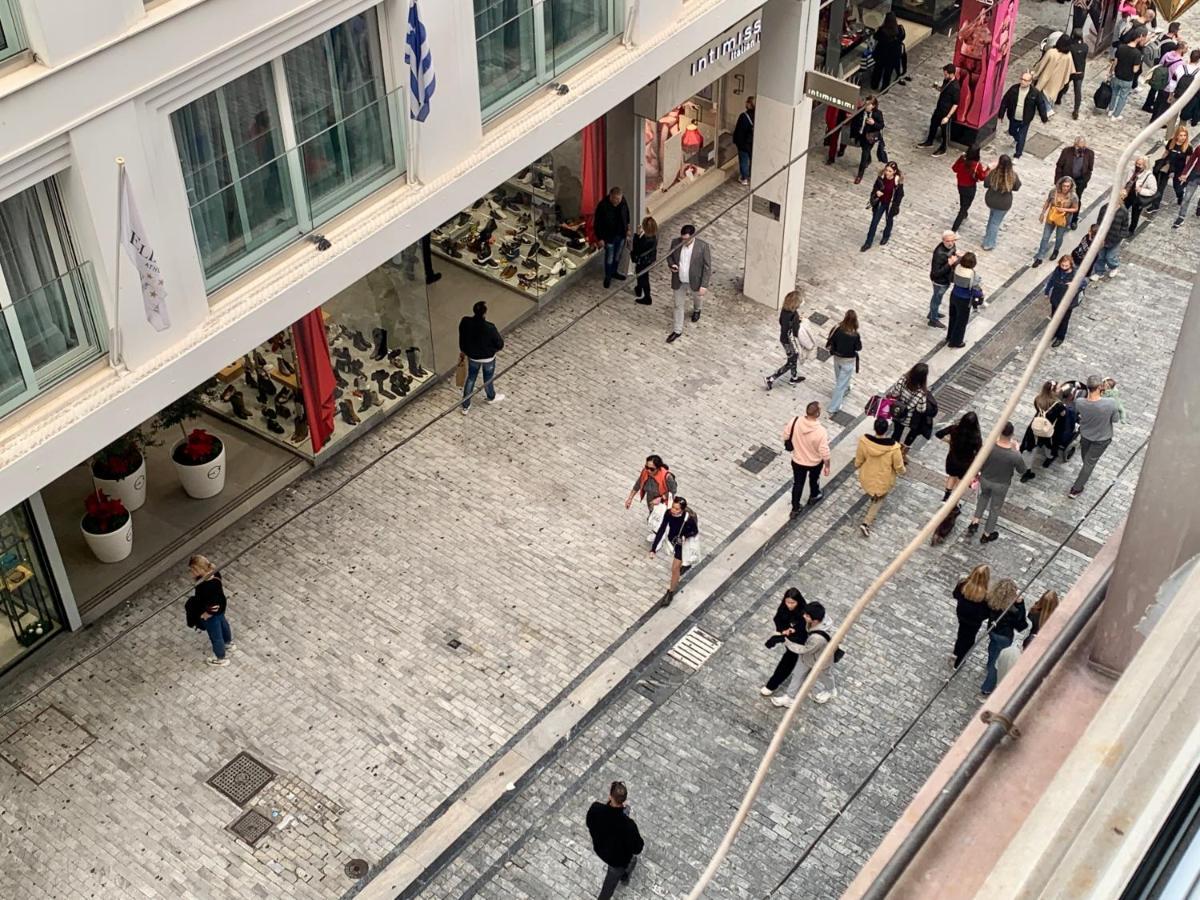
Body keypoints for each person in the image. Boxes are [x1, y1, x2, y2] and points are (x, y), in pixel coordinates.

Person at [968, 421, 1028, 544]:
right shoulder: (1014, 455)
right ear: (1011, 435)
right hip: (1001, 485)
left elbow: (979, 462)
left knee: (983, 497)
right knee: (995, 508)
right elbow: (1022, 470)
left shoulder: (989, 447)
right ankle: (987, 534)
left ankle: (975, 521)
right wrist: (1017, 450)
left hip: (985, 479)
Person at [771, 601, 838, 707]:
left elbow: (804, 649)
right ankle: (789, 697)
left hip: (820, 660)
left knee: (825, 675)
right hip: (807, 658)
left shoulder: (817, 638)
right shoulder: (820, 618)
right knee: (797, 674)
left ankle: (830, 690)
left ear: (815, 620)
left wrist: (785, 640)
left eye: (806, 615)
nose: (804, 616)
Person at [586, 781, 644, 899]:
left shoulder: (596, 809)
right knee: (608, 886)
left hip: (601, 849)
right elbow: (638, 848)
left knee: (615, 876)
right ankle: (623, 876)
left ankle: (624, 875)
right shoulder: (629, 826)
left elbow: (589, 823)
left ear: (610, 796)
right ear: (624, 800)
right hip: (617, 861)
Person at [1069, 374, 1121, 498]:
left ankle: (1084, 474)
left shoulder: (1080, 402)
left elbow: (1077, 413)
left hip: (1086, 435)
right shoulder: (1110, 403)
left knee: (1086, 460)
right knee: (1089, 463)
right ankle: (1076, 489)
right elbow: (1115, 419)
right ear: (1099, 388)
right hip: (1102, 438)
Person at [855, 417, 905, 537]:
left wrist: (858, 465)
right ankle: (866, 523)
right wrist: (902, 471)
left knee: (874, 492)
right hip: (883, 479)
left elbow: (859, 458)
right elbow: (899, 466)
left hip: (867, 474)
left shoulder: (864, 441)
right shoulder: (894, 448)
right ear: (887, 430)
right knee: (879, 499)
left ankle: (873, 496)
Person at [980, 579, 1027, 699]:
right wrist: (1020, 604)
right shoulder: (1012, 609)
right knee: (996, 664)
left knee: (992, 649)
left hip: (993, 631)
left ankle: (989, 664)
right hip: (1004, 636)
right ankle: (987, 688)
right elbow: (1021, 625)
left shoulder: (992, 600)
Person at [185, 555, 235, 667]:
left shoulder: (206, 585)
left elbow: (213, 605)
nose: (191, 572)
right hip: (221, 609)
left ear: (199, 569)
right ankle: (228, 643)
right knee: (223, 624)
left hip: (211, 614)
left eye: (192, 570)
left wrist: (206, 614)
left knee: (215, 636)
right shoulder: (215, 574)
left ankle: (220, 658)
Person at [665, 224, 711, 343]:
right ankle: (677, 330)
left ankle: (697, 309)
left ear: (693, 236)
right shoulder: (675, 242)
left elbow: (707, 267)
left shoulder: (703, 247)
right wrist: (672, 265)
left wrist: (704, 285)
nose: (683, 241)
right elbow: (669, 257)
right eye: (682, 238)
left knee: (697, 297)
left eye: (686, 239)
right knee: (678, 305)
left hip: (694, 280)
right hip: (679, 280)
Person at [784, 401, 831, 516]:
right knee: (814, 479)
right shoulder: (821, 431)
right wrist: (827, 466)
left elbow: (786, 436)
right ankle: (814, 495)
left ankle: (795, 508)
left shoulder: (795, 421)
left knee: (798, 484)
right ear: (818, 414)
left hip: (797, 460)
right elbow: (825, 452)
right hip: (814, 462)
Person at [650, 496, 699, 605]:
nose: (673, 510)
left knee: (674, 568)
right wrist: (653, 548)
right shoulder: (668, 513)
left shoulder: (688, 519)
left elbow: (695, 531)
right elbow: (662, 529)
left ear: (682, 510)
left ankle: (670, 592)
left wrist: (685, 536)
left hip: (683, 544)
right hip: (674, 541)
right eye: (673, 507)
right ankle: (685, 565)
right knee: (677, 568)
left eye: (677, 509)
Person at [458, 300, 506, 413]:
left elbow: (462, 337)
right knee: (488, 378)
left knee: (471, 378)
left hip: (473, 356)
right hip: (488, 357)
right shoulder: (489, 327)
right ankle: (491, 396)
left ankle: (465, 405)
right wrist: (493, 350)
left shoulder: (465, 322)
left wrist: (464, 350)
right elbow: (500, 344)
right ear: (484, 313)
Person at [760, 587, 808, 697]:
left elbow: (806, 629)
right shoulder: (783, 609)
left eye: (793, 603)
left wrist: (794, 630)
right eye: (788, 602)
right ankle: (772, 685)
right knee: (788, 663)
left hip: (801, 642)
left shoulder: (805, 612)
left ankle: (771, 686)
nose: (790, 605)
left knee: (787, 664)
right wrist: (783, 630)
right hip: (790, 641)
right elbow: (778, 619)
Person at [765, 290, 815, 390]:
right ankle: (771, 378)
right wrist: (799, 322)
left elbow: (781, 323)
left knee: (793, 359)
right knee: (791, 362)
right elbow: (796, 332)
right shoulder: (794, 315)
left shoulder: (785, 311)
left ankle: (794, 377)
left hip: (783, 339)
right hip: (791, 342)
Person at [1019, 381, 1069, 480]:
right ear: (1054, 391)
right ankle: (1049, 458)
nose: (1060, 389)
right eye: (1058, 388)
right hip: (1049, 429)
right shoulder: (1059, 405)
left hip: (1036, 426)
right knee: (1049, 446)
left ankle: (1027, 471)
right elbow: (1063, 416)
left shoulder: (1038, 399)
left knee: (1031, 448)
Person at [625, 455, 676, 543]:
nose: (648, 470)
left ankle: (660, 536)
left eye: (652, 469)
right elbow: (638, 484)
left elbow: (673, 490)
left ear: (658, 468)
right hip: (651, 500)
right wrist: (630, 499)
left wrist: (661, 498)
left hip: (664, 502)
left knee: (658, 519)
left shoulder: (667, 477)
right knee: (653, 518)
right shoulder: (645, 472)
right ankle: (657, 533)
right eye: (646, 467)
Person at [998, 71, 1049, 159]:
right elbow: (1005, 101)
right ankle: (1017, 140)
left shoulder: (1034, 93)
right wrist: (1001, 114)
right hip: (1013, 116)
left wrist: (1044, 118)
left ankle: (1018, 154)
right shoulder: (1014, 89)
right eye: (1022, 79)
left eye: (1025, 80)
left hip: (1025, 119)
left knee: (1022, 136)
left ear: (1030, 82)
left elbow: (1041, 105)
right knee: (1011, 131)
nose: (1022, 82)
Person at [1032, 177, 1080, 268]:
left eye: (1068, 186)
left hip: (1063, 219)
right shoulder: (1054, 192)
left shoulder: (1073, 196)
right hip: (1052, 216)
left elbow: (1075, 208)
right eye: (1064, 186)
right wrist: (1043, 213)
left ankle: (1056, 250)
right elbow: (1048, 201)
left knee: (1059, 237)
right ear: (1060, 185)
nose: (1066, 188)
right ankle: (1040, 257)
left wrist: (1064, 209)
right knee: (1045, 237)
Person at [916, 64, 961, 157]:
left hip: (946, 112)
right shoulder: (946, 81)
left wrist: (947, 117)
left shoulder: (955, 87)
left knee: (944, 131)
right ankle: (929, 141)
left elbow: (955, 104)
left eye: (946, 74)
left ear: (951, 74)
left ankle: (943, 148)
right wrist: (936, 87)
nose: (944, 76)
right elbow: (943, 90)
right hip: (939, 108)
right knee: (933, 124)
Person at [936, 411, 982, 500]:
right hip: (966, 463)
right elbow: (979, 451)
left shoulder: (954, 429)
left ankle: (946, 497)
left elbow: (939, 434)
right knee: (961, 482)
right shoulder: (976, 436)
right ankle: (955, 501)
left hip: (952, 459)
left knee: (952, 476)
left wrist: (949, 441)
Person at [951, 564, 991, 668]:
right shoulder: (986, 595)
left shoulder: (963, 584)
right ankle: (959, 659)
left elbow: (955, 594)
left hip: (962, 615)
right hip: (974, 621)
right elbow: (988, 611)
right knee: (969, 638)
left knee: (961, 633)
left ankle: (956, 651)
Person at [861, 160, 905, 251]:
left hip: (890, 204)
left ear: (894, 172)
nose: (887, 173)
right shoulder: (880, 178)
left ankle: (886, 235)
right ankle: (868, 242)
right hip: (880, 203)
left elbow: (900, 195)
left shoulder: (897, 182)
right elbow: (875, 187)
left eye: (890, 171)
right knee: (874, 222)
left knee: (889, 220)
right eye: (886, 170)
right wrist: (876, 192)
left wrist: (895, 206)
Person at [885, 362, 930, 449]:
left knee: (897, 432)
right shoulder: (921, 392)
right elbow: (921, 409)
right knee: (912, 432)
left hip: (897, 412)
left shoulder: (903, 379)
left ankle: (892, 448)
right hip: (909, 418)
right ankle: (904, 448)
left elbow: (894, 393)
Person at [1045, 254, 1086, 348]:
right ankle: (1054, 333)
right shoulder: (1058, 270)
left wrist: (1074, 284)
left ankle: (1060, 337)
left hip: (1068, 300)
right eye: (1062, 265)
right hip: (1057, 296)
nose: (1063, 267)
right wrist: (1047, 291)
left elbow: (1083, 283)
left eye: (1066, 266)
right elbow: (1051, 280)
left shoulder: (1075, 273)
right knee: (1054, 316)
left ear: (1070, 265)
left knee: (1064, 319)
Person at [826, 310, 862, 415]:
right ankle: (833, 407)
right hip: (848, 360)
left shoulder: (838, 329)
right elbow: (858, 348)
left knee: (839, 378)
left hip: (837, 357)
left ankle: (846, 388)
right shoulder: (855, 335)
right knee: (840, 384)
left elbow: (832, 341)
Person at [594, 187, 631, 289]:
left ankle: (614, 272)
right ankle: (608, 276)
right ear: (610, 196)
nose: (617, 201)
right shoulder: (602, 206)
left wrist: (628, 228)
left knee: (617, 255)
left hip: (621, 234)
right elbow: (597, 223)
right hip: (609, 236)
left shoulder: (623, 202)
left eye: (619, 199)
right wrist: (600, 238)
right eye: (615, 199)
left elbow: (627, 215)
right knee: (609, 257)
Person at [1032, 34, 1077, 117]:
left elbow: (1042, 64)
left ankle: (1048, 109)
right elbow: (1070, 69)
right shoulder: (1068, 55)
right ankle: (1047, 107)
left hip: (1047, 76)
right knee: (1051, 94)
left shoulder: (1051, 52)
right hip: (1058, 79)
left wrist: (1035, 73)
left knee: (1043, 92)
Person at [982, 155, 1021, 250]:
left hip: (991, 200)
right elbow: (1017, 187)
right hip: (1004, 203)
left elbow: (986, 184)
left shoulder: (993, 173)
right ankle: (989, 243)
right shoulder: (1013, 176)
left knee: (991, 219)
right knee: (995, 223)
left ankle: (987, 237)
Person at [1054, 138, 1094, 229]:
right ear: (1074, 145)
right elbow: (1059, 166)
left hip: (1079, 182)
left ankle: (1074, 220)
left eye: (1083, 146)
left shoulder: (1089, 154)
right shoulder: (1066, 152)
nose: (1081, 149)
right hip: (1067, 180)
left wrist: (1084, 181)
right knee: (1063, 198)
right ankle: (1060, 217)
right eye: (1079, 146)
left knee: (1077, 200)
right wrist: (1058, 181)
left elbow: (1089, 169)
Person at [946, 251, 982, 348]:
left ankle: (949, 336)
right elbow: (975, 288)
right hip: (964, 299)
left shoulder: (957, 267)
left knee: (953, 317)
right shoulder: (972, 274)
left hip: (954, 295)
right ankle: (956, 341)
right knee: (961, 321)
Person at [1150, 127, 1190, 212]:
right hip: (1168, 167)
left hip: (1179, 170)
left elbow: (1188, 161)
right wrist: (1160, 164)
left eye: (1185, 135)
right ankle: (1155, 206)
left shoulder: (1188, 147)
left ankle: (1180, 196)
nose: (1183, 137)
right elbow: (1166, 153)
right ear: (1177, 136)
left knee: (1178, 187)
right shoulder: (1171, 142)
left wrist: (1185, 174)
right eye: (1181, 135)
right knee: (1160, 187)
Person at [951, 145, 989, 231]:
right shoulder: (976, 165)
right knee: (965, 206)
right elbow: (982, 177)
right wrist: (988, 169)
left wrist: (960, 158)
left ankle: (964, 214)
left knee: (962, 200)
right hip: (970, 188)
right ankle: (954, 228)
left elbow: (954, 169)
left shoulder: (963, 160)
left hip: (960, 185)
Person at [1094, 189, 1130, 276]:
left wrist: (1120, 236)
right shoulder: (1104, 208)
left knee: (1110, 257)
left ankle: (1114, 267)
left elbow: (1125, 226)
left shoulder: (1123, 211)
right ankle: (1099, 272)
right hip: (1103, 237)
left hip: (1115, 239)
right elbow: (1099, 222)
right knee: (1100, 256)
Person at [1108, 33, 1144, 118]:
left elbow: (1115, 63)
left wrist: (1111, 72)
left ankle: (1110, 109)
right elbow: (1135, 70)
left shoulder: (1121, 48)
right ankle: (1116, 115)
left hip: (1117, 75)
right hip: (1127, 79)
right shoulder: (1137, 54)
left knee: (1114, 93)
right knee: (1122, 97)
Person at [927, 231, 959, 327]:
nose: (951, 243)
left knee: (938, 299)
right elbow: (936, 273)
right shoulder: (939, 253)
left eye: (952, 240)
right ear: (943, 241)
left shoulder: (952, 246)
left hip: (946, 279)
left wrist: (956, 254)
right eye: (948, 241)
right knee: (936, 300)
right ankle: (933, 320)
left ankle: (933, 313)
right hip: (939, 282)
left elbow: (953, 252)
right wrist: (949, 264)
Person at [853, 96, 887, 185]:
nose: (866, 106)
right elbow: (855, 120)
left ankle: (860, 175)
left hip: (870, 138)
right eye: (866, 103)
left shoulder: (877, 114)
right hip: (861, 135)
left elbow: (881, 126)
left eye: (869, 104)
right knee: (864, 150)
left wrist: (874, 123)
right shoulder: (861, 111)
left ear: (873, 106)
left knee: (864, 154)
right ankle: (869, 159)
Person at [1058, 30, 1089, 119]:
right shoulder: (1085, 47)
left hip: (1071, 70)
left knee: (1064, 84)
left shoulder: (1071, 47)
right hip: (1080, 72)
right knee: (1078, 91)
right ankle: (1076, 110)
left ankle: (1059, 99)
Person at [872, 12, 907, 91]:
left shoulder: (882, 30)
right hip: (893, 55)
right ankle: (884, 88)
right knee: (888, 72)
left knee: (878, 70)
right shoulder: (900, 29)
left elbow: (876, 37)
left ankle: (874, 84)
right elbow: (903, 37)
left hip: (882, 54)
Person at [630, 216, 658, 306]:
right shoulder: (654, 236)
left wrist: (637, 235)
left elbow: (637, 248)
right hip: (649, 259)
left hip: (643, 261)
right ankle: (638, 288)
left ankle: (647, 297)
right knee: (642, 275)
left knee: (643, 277)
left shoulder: (645, 240)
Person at [1126, 156, 1158, 234]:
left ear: (1145, 166)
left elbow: (1153, 190)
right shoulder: (1132, 170)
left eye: (1140, 164)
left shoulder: (1149, 176)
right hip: (1128, 194)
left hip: (1138, 198)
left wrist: (1141, 190)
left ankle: (1131, 230)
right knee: (1122, 210)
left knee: (1135, 215)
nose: (1137, 166)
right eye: (1137, 163)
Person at [1173, 142, 1200, 228]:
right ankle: (1181, 216)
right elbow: (1191, 160)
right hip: (1195, 175)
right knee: (1187, 197)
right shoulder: (1199, 148)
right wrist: (1184, 173)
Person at [732, 96, 755, 185]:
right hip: (753, 141)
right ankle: (751, 176)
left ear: (749, 104)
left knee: (744, 160)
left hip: (744, 142)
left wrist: (736, 141)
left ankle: (745, 178)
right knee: (752, 159)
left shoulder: (744, 116)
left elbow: (739, 131)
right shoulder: (757, 115)